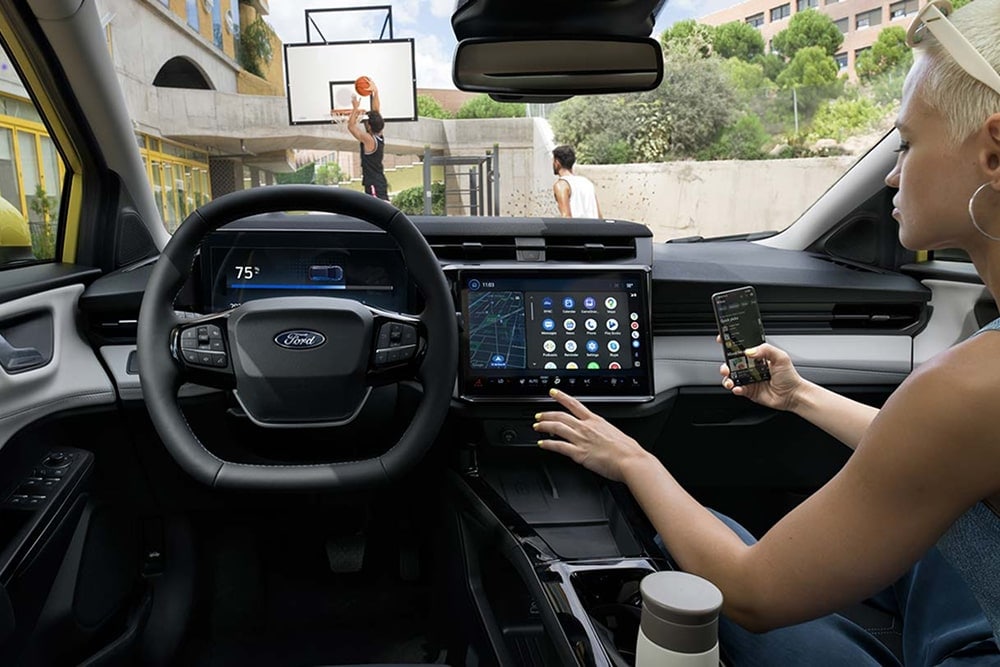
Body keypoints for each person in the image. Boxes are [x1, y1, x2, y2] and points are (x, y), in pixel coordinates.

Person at [534, 1, 1000, 663]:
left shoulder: (971, 388)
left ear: (994, 150)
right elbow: (933, 454)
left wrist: (632, 460)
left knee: (695, 545)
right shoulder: (971, 395)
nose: (893, 173)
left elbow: (750, 590)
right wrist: (800, 394)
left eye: (907, 144)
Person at [347, 78, 389, 201]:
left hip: (374, 183)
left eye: (366, 121)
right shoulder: (379, 134)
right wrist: (375, 91)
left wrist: (355, 108)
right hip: (377, 181)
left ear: (369, 126)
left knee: (377, 212)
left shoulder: (369, 139)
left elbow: (351, 127)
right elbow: (376, 111)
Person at [552, 144, 601, 218]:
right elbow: (599, 215)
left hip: (577, 229)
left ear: (557, 162)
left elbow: (566, 217)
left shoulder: (562, 185)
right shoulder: (587, 182)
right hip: (595, 228)